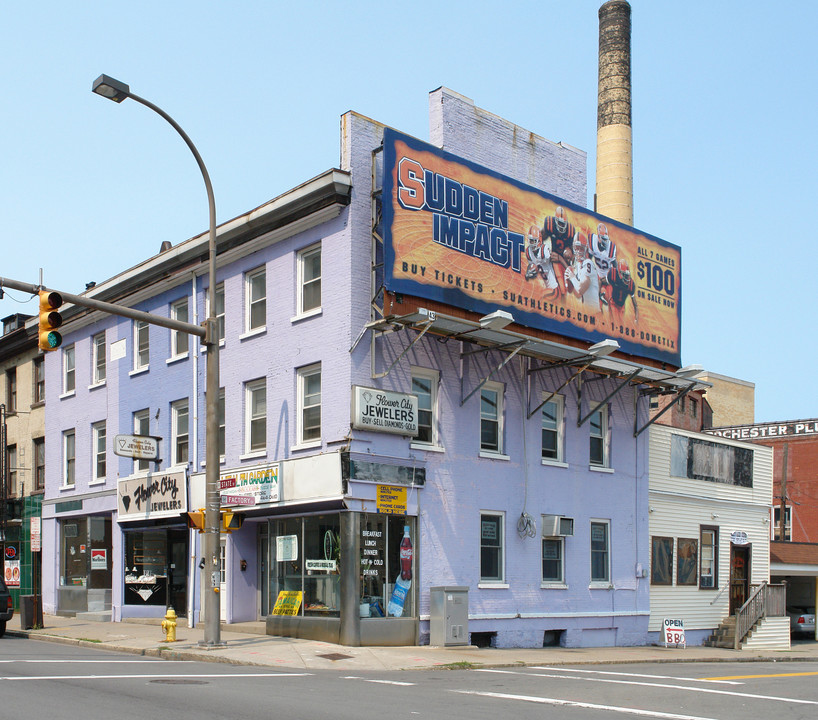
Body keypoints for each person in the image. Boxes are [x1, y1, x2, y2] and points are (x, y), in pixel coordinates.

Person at [542, 206, 576, 294]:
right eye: (559, 223)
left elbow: (573, 254)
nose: (561, 226)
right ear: (555, 221)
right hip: (554, 259)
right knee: (561, 289)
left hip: (564, 261)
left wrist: (569, 254)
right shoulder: (550, 225)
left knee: (569, 289)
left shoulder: (570, 231)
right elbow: (541, 237)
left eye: (563, 223)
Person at [564, 233, 600, 310]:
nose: (578, 251)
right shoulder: (578, 266)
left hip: (595, 313)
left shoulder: (588, 263)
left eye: (581, 249)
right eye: (576, 248)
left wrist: (572, 277)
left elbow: (580, 289)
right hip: (587, 314)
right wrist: (570, 281)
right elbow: (578, 295)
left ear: (586, 249)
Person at [523, 224, 559, 297]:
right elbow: (532, 266)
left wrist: (536, 267)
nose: (532, 243)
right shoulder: (528, 252)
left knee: (538, 296)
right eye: (531, 241)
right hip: (546, 286)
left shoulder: (544, 249)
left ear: (539, 240)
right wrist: (528, 273)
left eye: (534, 241)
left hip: (554, 287)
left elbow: (542, 262)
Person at [589, 222, 617, 306]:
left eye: (606, 239)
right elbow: (588, 258)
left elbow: (615, 267)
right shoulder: (592, 241)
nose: (605, 242)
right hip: (597, 272)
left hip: (607, 275)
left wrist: (611, 279)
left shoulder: (611, 248)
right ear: (598, 237)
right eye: (603, 239)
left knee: (610, 299)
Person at [607, 258, 639, 325]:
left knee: (621, 327)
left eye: (627, 275)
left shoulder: (631, 285)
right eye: (624, 275)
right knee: (615, 324)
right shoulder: (613, 275)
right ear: (619, 272)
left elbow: (635, 305)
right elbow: (603, 281)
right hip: (613, 302)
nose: (626, 278)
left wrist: (636, 319)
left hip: (622, 306)